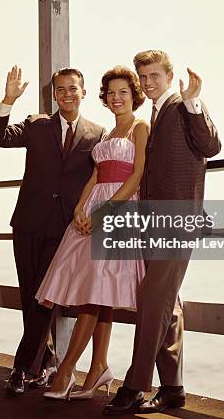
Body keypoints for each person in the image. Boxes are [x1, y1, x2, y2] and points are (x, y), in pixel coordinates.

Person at [103, 50, 221, 415]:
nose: (148, 82)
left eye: (154, 75)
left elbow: (211, 146)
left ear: (169, 76)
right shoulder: (151, 117)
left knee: (152, 299)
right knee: (165, 305)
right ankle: (173, 389)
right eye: (143, 77)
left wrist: (194, 102)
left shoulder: (182, 107)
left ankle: (135, 385)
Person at [0, 65, 105, 396]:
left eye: (73, 88)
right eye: (61, 89)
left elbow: (102, 179)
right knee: (30, 295)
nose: (67, 93)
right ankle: (47, 361)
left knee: (43, 297)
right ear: (54, 94)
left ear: (83, 91)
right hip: (27, 223)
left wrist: (90, 214)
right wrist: (8, 100)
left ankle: (21, 369)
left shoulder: (97, 133)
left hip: (66, 229)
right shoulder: (37, 125)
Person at [35, 66, 149, 401]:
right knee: (98, 291)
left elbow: (138, 175)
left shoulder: (141, 127)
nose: (116, 98)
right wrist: (79, 210)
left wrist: (105, 212)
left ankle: (68, 368)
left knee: (94, 292)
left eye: (122, 92)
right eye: (111, 93)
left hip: (118, 210)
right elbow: (95, 176)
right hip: (93, 211)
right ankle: (98, 367)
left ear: (134, 95)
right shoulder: (106, 133)